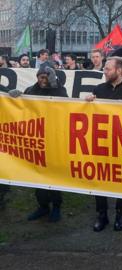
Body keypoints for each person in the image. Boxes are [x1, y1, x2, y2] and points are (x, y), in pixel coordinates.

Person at [85, 56, 122, 232]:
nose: (104, 71)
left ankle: (120, 213)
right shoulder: (99, 89)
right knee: (100, 178)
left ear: (119, 70)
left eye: (108, 69)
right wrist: (87, 104)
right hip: (102, 143)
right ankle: (102, 214)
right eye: (104, 68)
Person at [18, 67, 68, 222]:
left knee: (53, 174)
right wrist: (15, 98)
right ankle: (43, 206)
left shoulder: (59, 90)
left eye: (46, 77)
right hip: (36, 139)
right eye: (41, 77)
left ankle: (56, 206)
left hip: (53, 138)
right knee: (37, 175)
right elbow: (21, 107)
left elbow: (66, 105)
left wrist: (55, 84)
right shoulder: (30, 90)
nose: (43, 80)